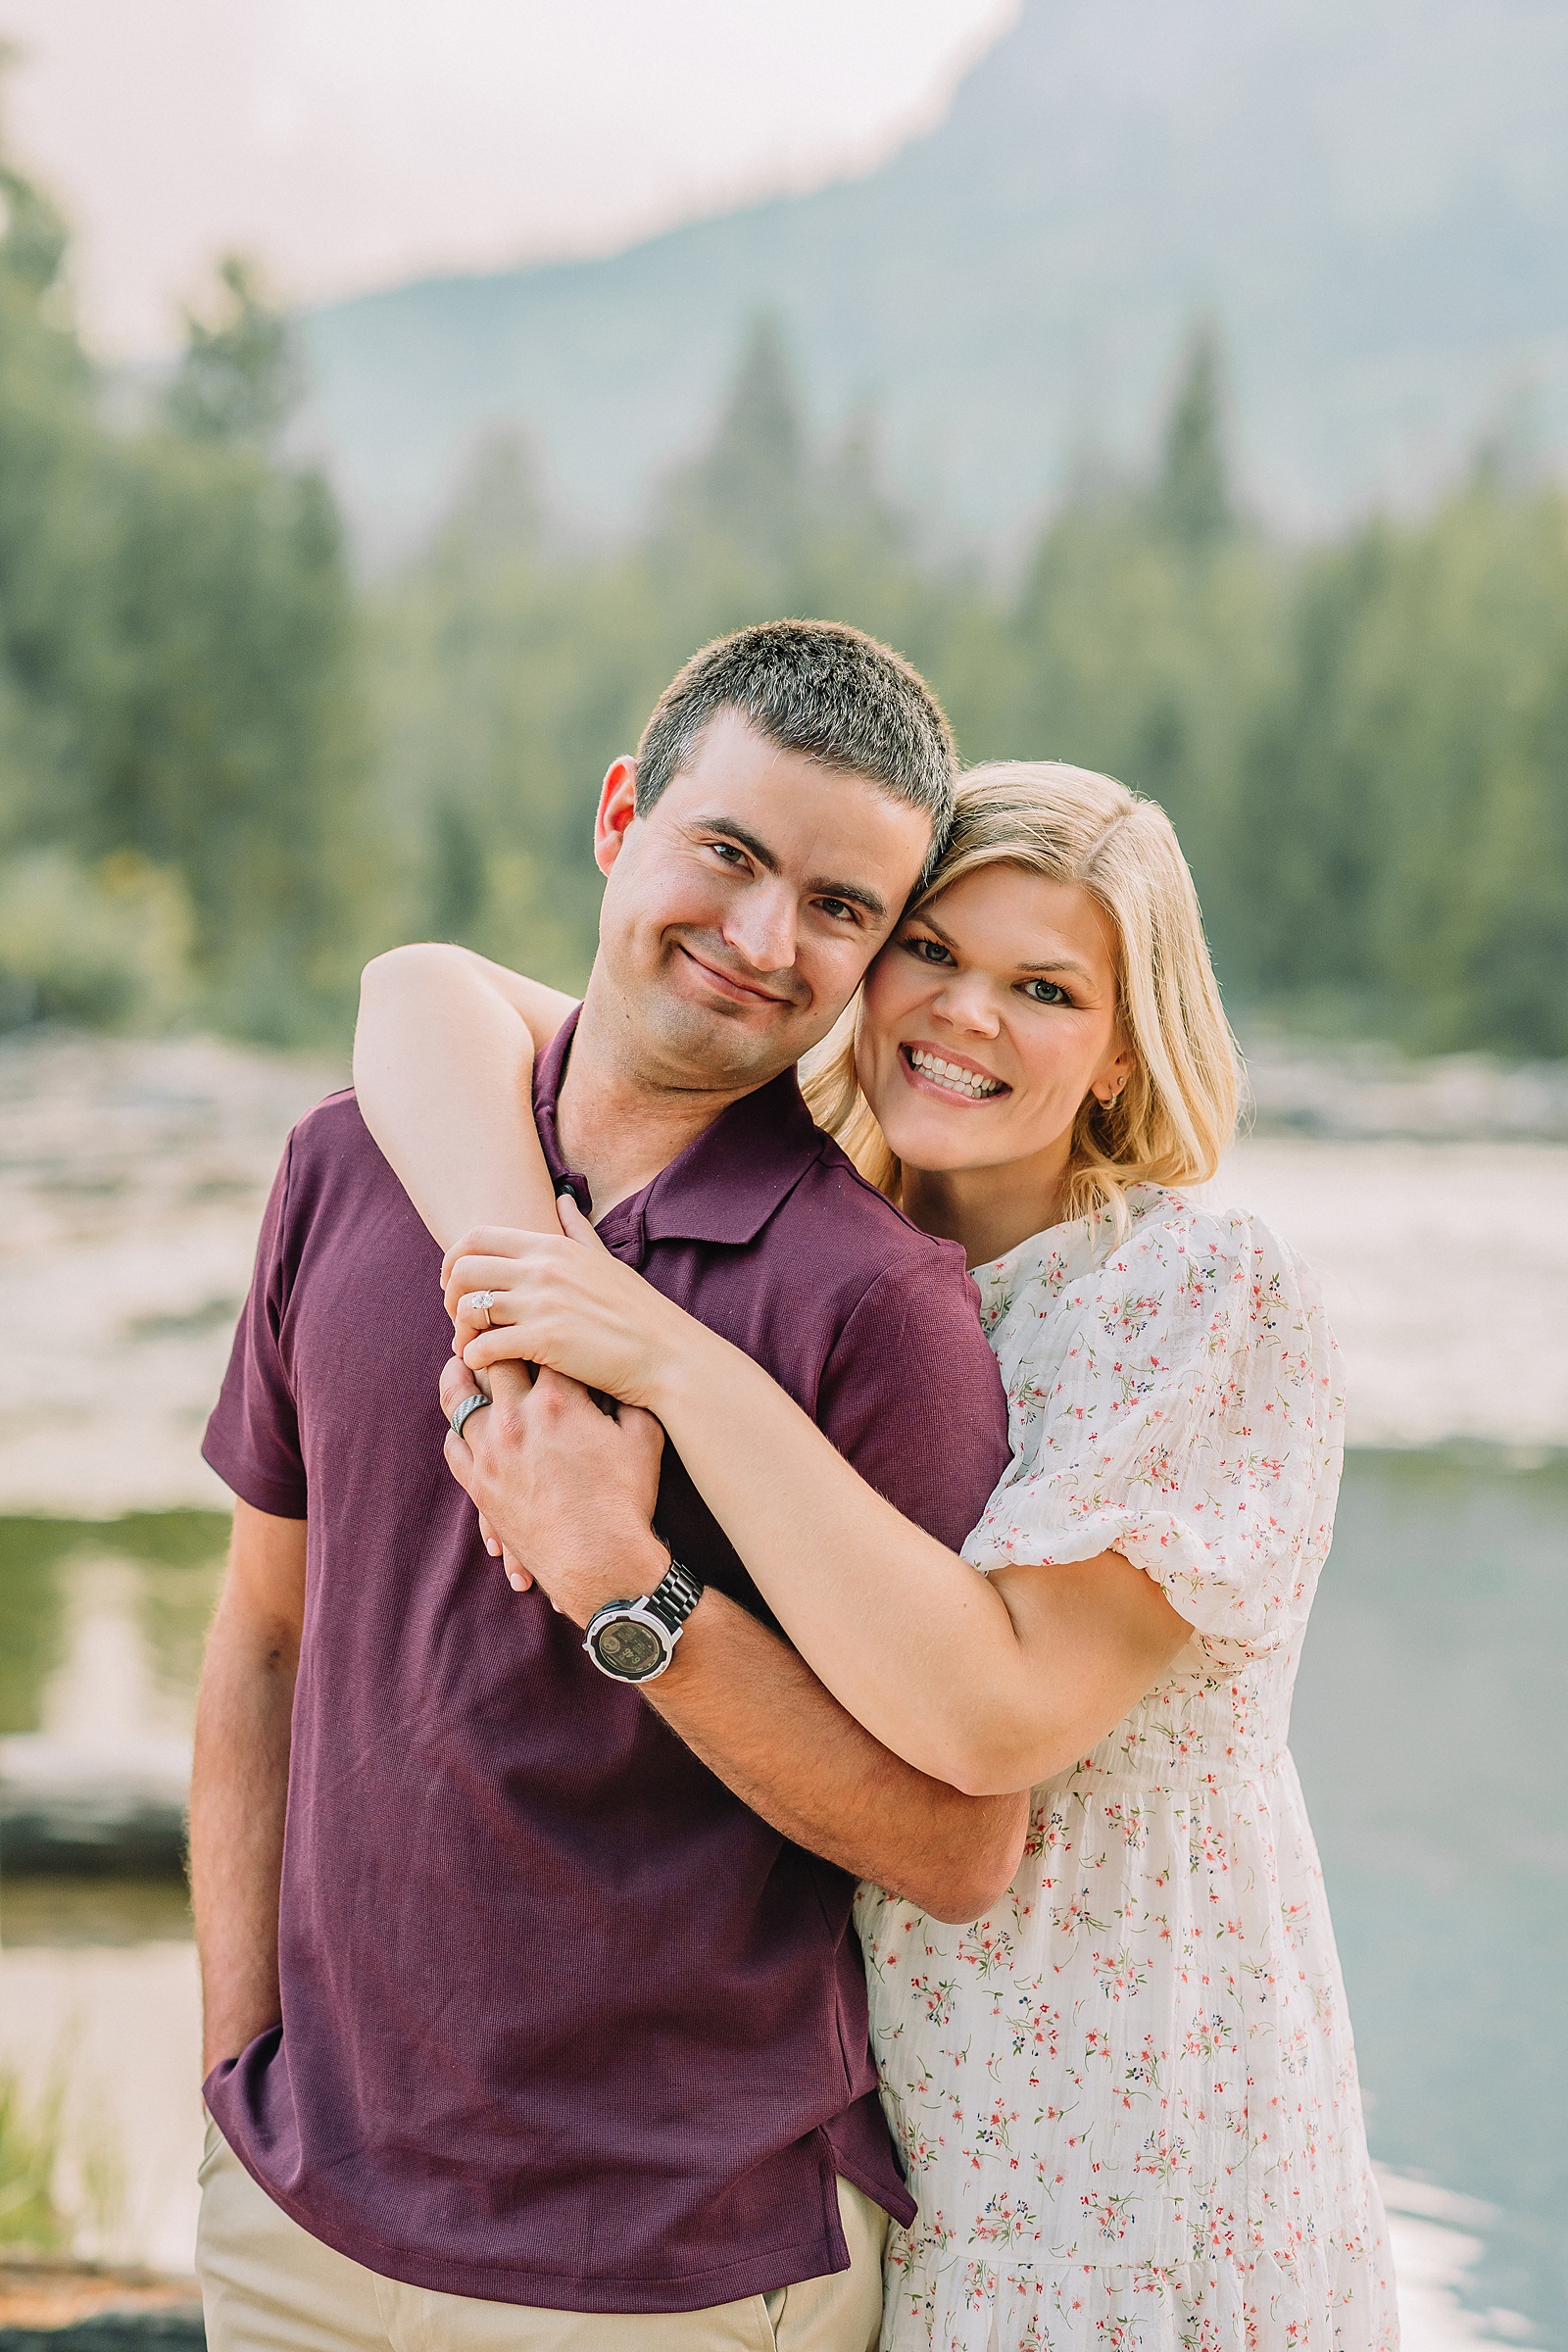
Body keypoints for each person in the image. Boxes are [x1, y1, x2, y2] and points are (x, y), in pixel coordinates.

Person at [356, 760, 1398, 2350]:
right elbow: (417, 994)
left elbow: (1000, 1718)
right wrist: (537, 1347)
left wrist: (678, 1369)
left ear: (1123, 1052)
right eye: (934, 951)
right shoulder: (823, 1245)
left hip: (1119, 2093)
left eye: (1044, 988)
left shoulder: (1191, 1297)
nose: (967, 1015)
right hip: (849, 2096)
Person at [190, 619, 1039, 2352]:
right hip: (301, 2224)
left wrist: (629, 1596)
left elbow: (958, 1841)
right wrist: (236, 2067)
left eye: (837, 908)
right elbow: (261, 1644)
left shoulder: (881, 1309)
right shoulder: (354, 1161)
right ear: (618, 818)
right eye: (728, 854)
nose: (759, 940)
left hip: (681, 2267)